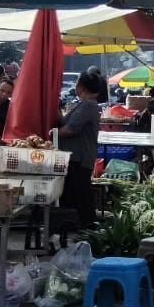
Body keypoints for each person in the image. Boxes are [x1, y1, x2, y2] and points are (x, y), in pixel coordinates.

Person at [58, 69, 105, 227]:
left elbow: (71, 129)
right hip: (76, 157)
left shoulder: (88, 105)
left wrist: (51, 135)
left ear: (81, 86)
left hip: (79, 157)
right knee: (75, 193)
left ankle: (87, 227)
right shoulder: (84, 105)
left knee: (80, 194)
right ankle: (76, 225)